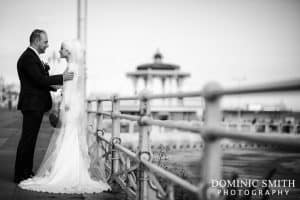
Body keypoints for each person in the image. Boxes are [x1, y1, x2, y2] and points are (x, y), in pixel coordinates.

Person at [18, 40, 111, 193]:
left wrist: (64, 106)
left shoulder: (72, 68)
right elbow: (64, 86)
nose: (59, 50)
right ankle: (71, 171)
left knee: (68, 138)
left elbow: (71, 90)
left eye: (62, 49)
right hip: (70, 107)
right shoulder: (72, 67)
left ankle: (67, 172)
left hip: (69, 108)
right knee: (69, 138)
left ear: (69, 52)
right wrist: (53, 85)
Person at [14, 29, 74, 184]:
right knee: (27, 140)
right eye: (45, 41)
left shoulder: (32, 57)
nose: (47, 45)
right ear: (36, 41)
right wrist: (62, 77)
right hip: (32, 105)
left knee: (30, 140)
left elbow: (37, 81)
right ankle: (20, 174)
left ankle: (26, 171)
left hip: (35, 104)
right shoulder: (28, 58)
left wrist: (52, 87)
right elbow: (39, 79)